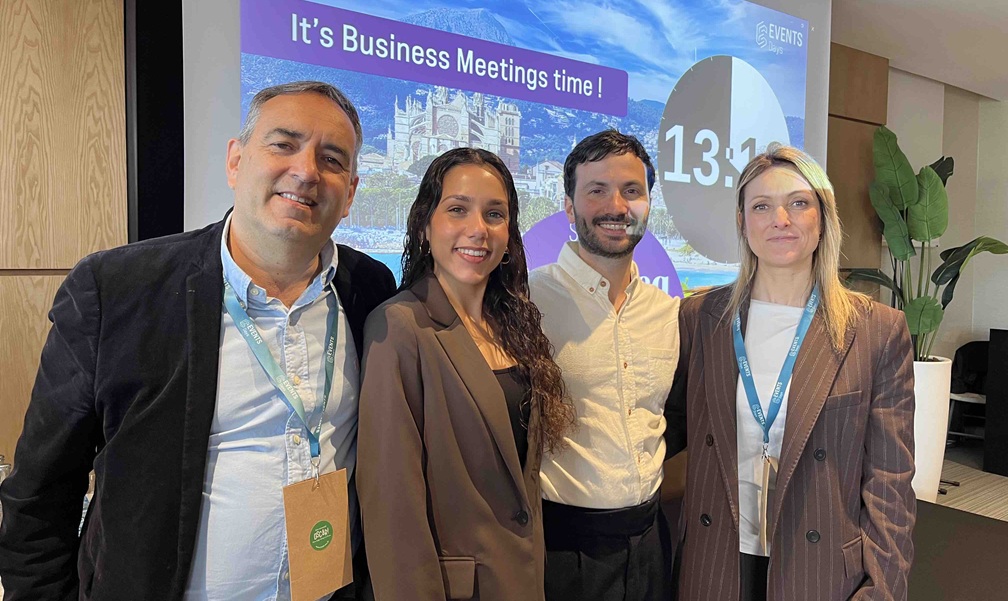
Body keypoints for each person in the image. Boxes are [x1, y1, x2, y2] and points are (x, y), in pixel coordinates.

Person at [0, 81, 396, 600]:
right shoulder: (117, 289)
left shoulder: (370, 291)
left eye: (332, 159)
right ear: (236, 161)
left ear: (350, 193)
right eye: (283, 144)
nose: (306, 171)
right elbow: (40, 493)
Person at [666, 143, 916, 600]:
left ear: (823, 218)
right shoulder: (701, 318)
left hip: (819, 572)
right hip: (714, 564)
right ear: (743, 222)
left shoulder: (876, 330)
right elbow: (664, 429)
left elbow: (890, 483)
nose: (780, 220)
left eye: (798, 203)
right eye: (761, 206)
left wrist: (882, 591)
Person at [356, 147, 573, 600]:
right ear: (425, 224)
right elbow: (393, 506)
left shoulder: (516, 327)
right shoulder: (399, 328)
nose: (478, 229)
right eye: (458, 209)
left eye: (495, 214)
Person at [529, 130, 680, 601]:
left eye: (631, 190)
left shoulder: (668, 313)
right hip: (562, 551)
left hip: (651, 544)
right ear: (569, 207)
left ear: (648, 203)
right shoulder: (526, 302)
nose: (617, 206)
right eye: (597, 190)